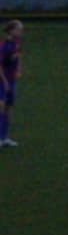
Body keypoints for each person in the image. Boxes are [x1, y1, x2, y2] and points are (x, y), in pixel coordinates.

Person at [0, 19, 22, 148]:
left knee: (7, 109)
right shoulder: (4, 46)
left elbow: (18, 56)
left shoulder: (17, 44)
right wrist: (5, 82)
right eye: (19, 29)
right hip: (2, 82)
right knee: (1, 109)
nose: (21, 32)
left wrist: (18, 69)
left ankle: (4, 137)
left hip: (11, 81)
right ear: (11, 31)